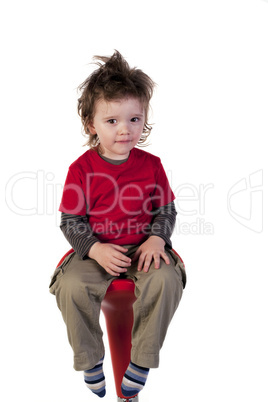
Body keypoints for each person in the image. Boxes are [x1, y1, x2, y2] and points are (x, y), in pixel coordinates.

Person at [49, 50, 186, 399]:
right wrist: (94, 248)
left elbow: (166, 211)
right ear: (91, 124)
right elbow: (71, 220)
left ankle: (140, 361)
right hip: (95, 253)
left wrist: (157, 240)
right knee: (72, 287)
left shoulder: (152, 165)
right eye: (112, 121)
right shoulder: (81, 169)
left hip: (143, 250)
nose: (125, 129)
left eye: (134, 119)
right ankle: (91, 359)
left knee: (167, 279)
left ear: (144, 120)